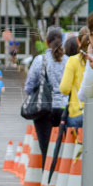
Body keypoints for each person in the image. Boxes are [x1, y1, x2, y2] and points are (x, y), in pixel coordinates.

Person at [23, 27, 67, 158]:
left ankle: (46, 175)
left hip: (44, 108)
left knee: (46, 150)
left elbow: (29, 86)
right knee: (63, 151)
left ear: (46, 42)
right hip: (65, 108)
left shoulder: (39, 60)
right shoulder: (69, 61)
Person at [59, 30, 88, 131]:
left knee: (75, 146)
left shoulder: (73, 60)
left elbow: (64, 89)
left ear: (78, 41)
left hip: (77, 112)